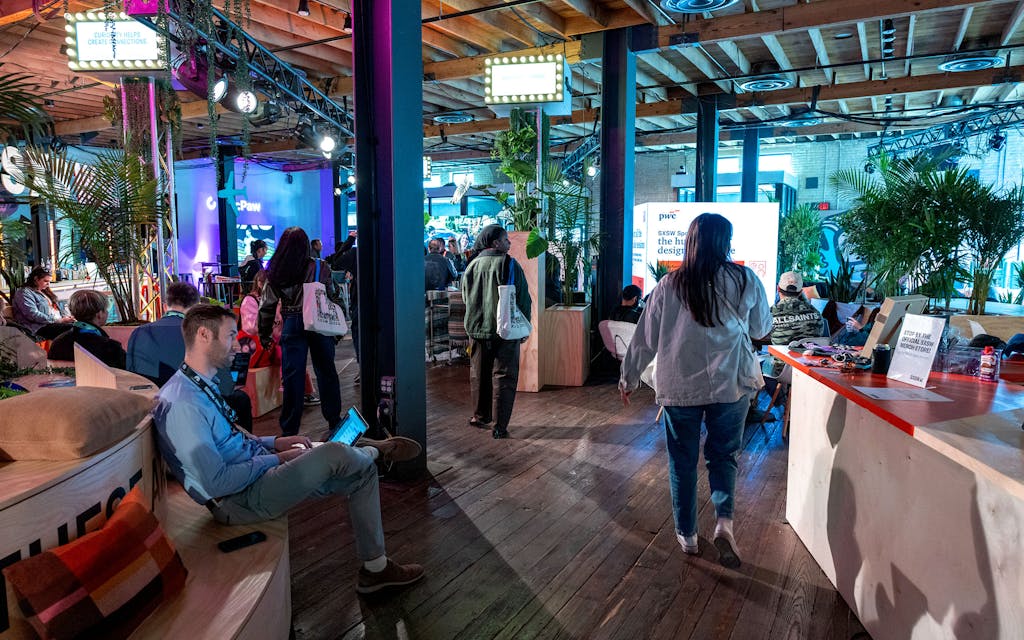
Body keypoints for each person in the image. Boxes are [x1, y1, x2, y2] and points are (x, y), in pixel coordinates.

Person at [152, 304, 425, 594]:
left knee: (360, 471)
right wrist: (275, 459)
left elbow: (232, 438)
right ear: (205, 335)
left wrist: (274, 443)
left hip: (255, 476)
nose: (238, 344)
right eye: (231, 335)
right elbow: (215, 483)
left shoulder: (198, 387)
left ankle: (377, 568)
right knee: (334, 452)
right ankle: (373, 452)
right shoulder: (183, 404)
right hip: (239, 501)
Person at [619, 213, 771, 569]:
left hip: (679, 386)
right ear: (725, 241)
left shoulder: (669, 284)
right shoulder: (745, 279)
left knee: (682, 460)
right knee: (723, 457)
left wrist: (628, 378)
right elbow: (761, 327)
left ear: (691, 241)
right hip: (729, 385)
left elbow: (644, 338)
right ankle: (723, 522)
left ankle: (687, 535)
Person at [127, 281, 254, 432]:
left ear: (164, 305)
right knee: (240, 399)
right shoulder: (203, 334)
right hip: (195, 411)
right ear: (197, 307)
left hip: (150, 413)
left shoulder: (139, 333)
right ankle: (247, 450)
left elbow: (132, 379)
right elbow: (225, 388)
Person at [259, 226, 342, 437]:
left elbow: (267, 306)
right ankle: (334, 421)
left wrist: (265, 334)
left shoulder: (275, 269)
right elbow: (332, 297)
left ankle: (289, 431)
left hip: (291, 322)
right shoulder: (320, 266)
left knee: (292, 378)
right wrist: (339, 328)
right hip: (318, 323)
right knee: (326, 372)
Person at [462, 224, 531, 439]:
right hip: (505, 331)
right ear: (496, 243)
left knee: (479, 374)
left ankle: (479, 416)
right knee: (504, 376)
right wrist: (524, 327)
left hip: (476, 329)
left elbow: (466, 297)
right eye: (506, 240)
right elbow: (523, 300)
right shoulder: (510, 264)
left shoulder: (472, 265)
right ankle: (500, 426)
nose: (509, 243)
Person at [766, 271, 825, 376]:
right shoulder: (816, 313)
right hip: (809, 369)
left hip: (781, 370)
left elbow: (760, 333)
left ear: (778, 289)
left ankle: (779, 392)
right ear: (801, 292)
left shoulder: (772, 312)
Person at [47, 289, 125, 367]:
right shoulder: (110, 347)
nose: (107, 312)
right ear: (99, 314)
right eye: (106, 310)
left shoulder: (58, 342)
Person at [12, 266, 73, 339]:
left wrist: (65, 318)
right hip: (38, 327)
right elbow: (32, 314)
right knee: (72, 329)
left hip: (53, 323)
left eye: (49, 281)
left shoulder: (44, 291)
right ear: (36, 279)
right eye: (45, 281)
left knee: (79, 326)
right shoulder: (23, 293)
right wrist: (58, 320)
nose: (48, 284)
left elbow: (55, 308)